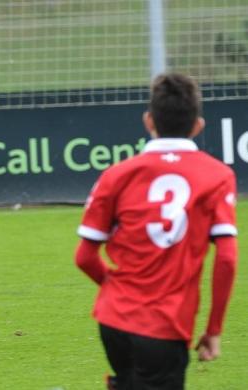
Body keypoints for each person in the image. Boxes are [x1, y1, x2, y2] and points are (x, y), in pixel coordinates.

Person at [75, 73, 238, 389]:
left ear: (149, 121)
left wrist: (115, 288)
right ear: (198, 126)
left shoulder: (116, 175)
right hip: (165, 324)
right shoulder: (218, 176)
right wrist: (214, 328)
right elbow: (228, 258)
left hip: (113, 321)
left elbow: (84, 257)